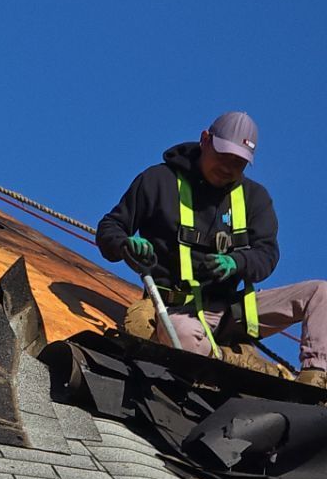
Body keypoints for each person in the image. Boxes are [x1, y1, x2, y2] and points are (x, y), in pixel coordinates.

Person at [96, 110, 327, 388]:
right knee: (181, 338)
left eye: (239, 163)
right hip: (176, 309)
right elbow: (110, 227)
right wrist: (125, 245)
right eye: (223, 156)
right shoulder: (159, 181)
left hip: (232, 311)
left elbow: (267, 254)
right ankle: (230, 366)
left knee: (320, 292)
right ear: (206, 139)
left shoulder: (255, 199)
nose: (229, 168)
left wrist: (237, 262)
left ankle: (314, 381)